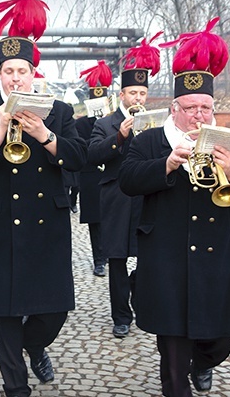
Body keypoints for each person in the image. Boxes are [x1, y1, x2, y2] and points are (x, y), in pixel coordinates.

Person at [119, 18, 230, 397]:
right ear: (173, 108)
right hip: (167, 253)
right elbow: (128, 180)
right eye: (190, 108)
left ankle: (205, 361)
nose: (199, 115)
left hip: (221, 251)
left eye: (205, 107)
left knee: (221, 338)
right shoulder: (150, 139)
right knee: (172, 350)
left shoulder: (227, 139)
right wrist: (167, 164)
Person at [0, 0, 87, 397]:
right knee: (6, 311)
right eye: (9, 70)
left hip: (47, 223)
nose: (16, 77)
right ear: (0, 74)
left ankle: (35, 345)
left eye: (22, 71)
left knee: (55, 309)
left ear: (34, 74)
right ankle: (16, 387)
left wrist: (45, 135)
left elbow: (78, 158)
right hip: (1, 226)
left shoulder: (60, 111)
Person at [88, 33, 162, 338]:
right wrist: (118, 136)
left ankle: (138, 293)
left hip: (147, 198)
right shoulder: (105, 123)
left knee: (150, 256)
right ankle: (120, 315)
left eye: (143, 93)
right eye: (133, 93)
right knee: (117, 258)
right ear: (122, 95)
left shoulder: (155, 122)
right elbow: (92, 154)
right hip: (116, 197)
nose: (138, 100)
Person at [76, 60, 115, 277]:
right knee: (95, 220)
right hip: (91, 176)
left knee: (113, 217)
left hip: (110, 175)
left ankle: (110, 253)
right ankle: (98, 258)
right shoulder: (81, 124)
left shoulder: (114, 121)